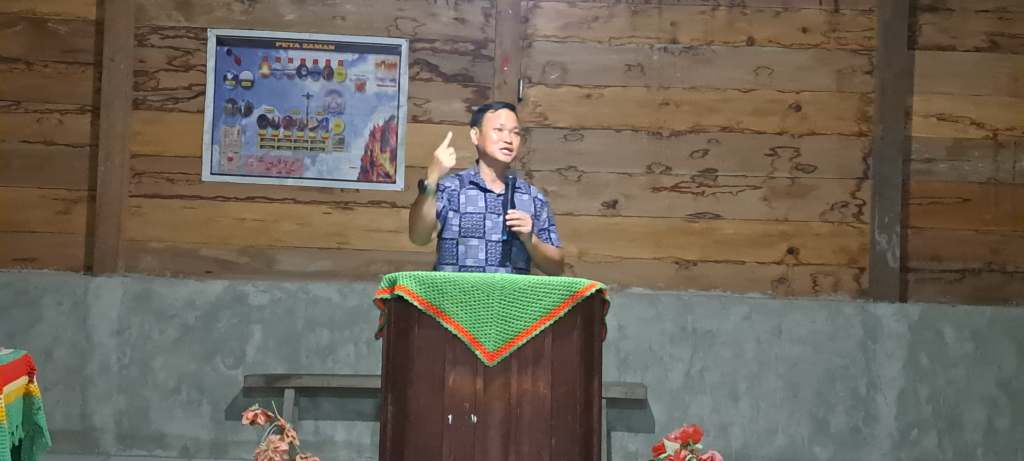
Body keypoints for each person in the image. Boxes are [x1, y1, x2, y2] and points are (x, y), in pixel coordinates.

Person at [408, 101, 564, 275]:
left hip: (510, 294)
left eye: (515, 133)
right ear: (475, 135)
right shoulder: (451, 188)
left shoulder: (532, 197)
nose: (508, 139)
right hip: (455, 293)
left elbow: (556, 268)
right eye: (499, 130)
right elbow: (419, 238)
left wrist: (531, 239)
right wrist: (432, 177)